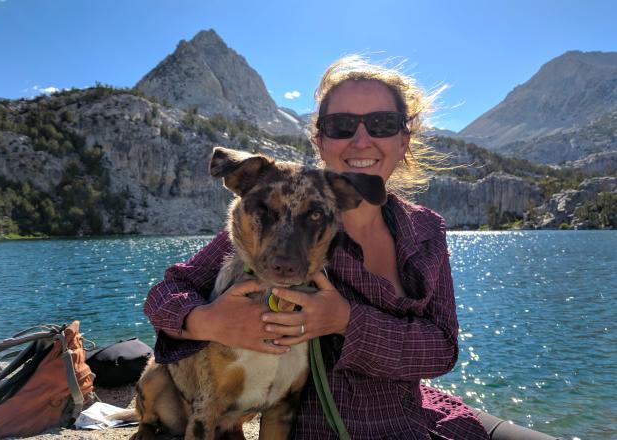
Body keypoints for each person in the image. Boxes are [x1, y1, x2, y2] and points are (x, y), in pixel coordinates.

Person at [144, 56, 490, 440]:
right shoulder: (275, 228)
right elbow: (166, 294)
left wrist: (346, 321)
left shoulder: (426, 230)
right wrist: (208, 321)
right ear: (319, 139)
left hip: (408, 424)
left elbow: (442, 349)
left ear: (403, 139)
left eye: (382, 124)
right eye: (341, 126)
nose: (362, 140)